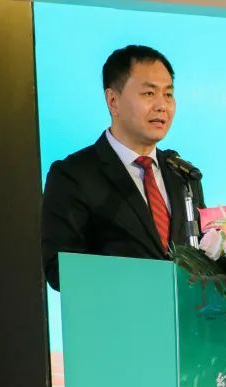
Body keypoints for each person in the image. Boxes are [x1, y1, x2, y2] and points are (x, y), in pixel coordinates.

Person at [41, 45, 206, 290]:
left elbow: (204, 254)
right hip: (117, 312)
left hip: (184, 313)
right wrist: (141, 282)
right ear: (113, 100)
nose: (162, 105)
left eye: (168, 94)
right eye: (149, 93)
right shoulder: (73, 176)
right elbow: (59, 271)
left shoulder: (182, 175)